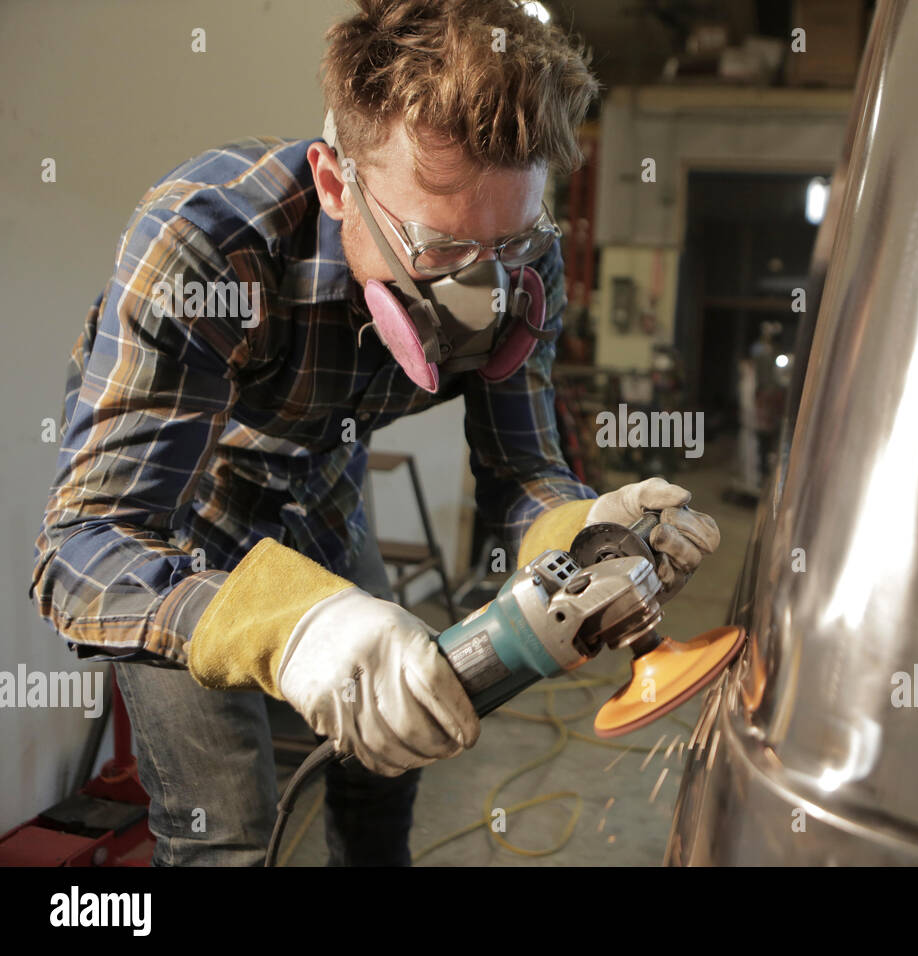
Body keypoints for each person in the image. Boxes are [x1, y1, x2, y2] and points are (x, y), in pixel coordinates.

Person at [30, 0, 719, 867]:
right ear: (333, 182)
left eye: (511, 241)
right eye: (437, 248)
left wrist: (580, 535)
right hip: (178, 516)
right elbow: (83, 551)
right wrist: (301, 627)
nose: (485, 292)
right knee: (228, 826)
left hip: (325, 490)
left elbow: (523, 468)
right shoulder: (209, 240)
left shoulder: (522, 260)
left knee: (389, 755)